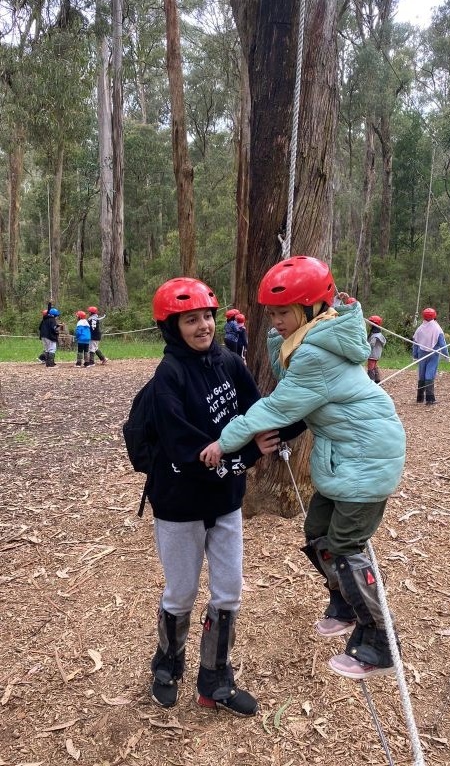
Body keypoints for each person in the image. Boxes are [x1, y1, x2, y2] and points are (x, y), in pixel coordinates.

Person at [200, 256, 406, 681]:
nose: (274, 321)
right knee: (317, 532)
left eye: (282, 313)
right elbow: (285, 369)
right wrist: (282, 336)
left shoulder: (315, 353)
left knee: (346, 546)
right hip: (349, 454)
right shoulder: (316, 337)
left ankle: (379, 641)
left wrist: (225, 440)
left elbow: (275, 406)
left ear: (312, 310)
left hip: (367, 457)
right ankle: (345, 603)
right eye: (271, 313)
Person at [144, 277, 281, 715]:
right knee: (181, 593)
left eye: (206, 316)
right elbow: (189, 450)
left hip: (224, 502)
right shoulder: (169, 375)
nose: (203, 326)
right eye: (190, 319)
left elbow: (256, 408)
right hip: (180, 504)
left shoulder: (228, 361)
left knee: (228, 593)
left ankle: (215, 681)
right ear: (172, 326)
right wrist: (245, 454)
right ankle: (166, 665)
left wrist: (272, 430)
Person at [412, 308, 449, 405]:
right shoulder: (437, 329)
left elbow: (415, 343)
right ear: (434, 316)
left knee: (422, 375)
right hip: (433, 355)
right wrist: (446, 355)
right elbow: (443, 344)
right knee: (430, 375)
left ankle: (419, 398)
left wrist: (415, 355)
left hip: (421, 354)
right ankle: (430, 399)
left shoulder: (420, 329)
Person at [367, 315, 386, 383]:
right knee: (374, 366)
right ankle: (377, 379)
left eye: (371, 322)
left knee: (370, 367)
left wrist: (365, 347)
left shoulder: (375, 336)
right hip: (376, 354)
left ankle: (371, 381)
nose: (369, 324)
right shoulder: (379, 335)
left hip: (372, 354)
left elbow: (371, 344)